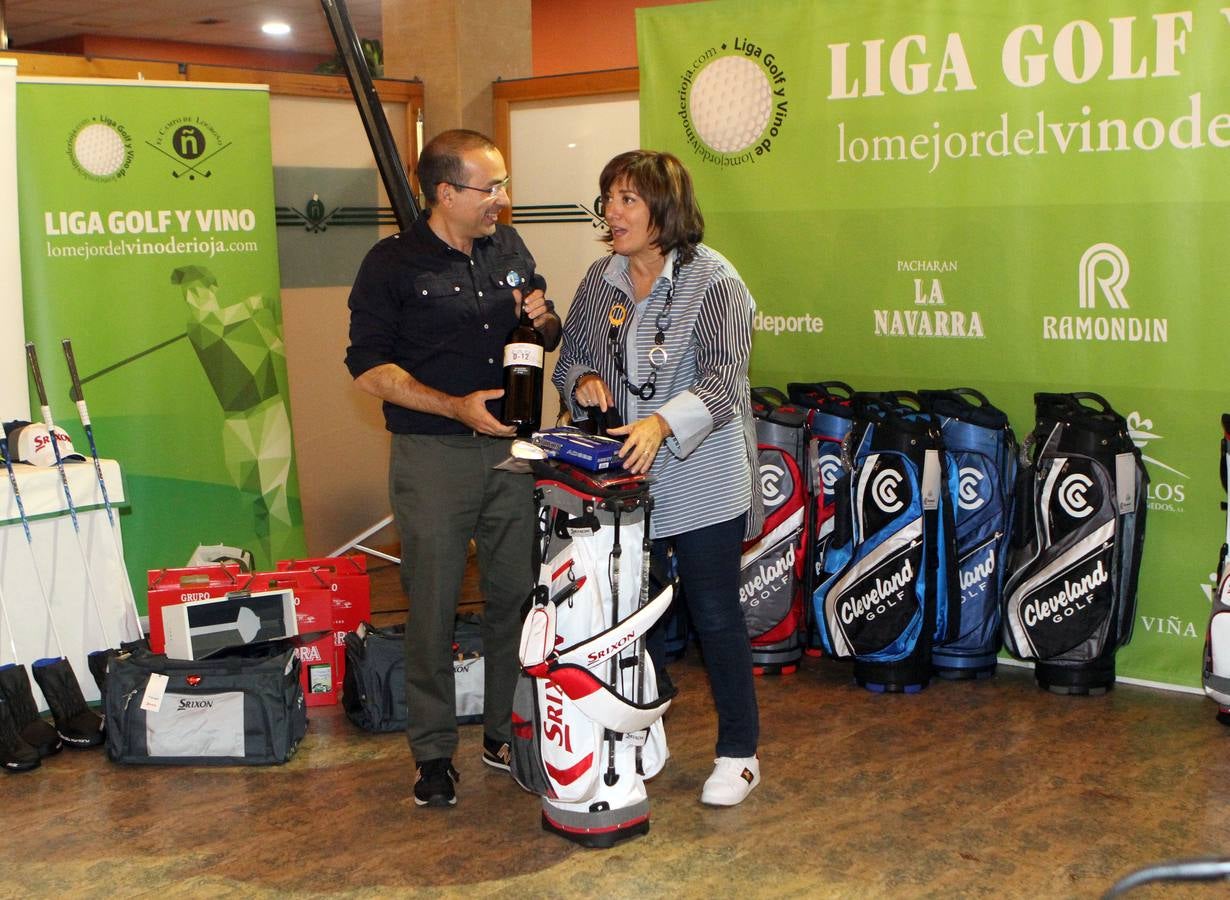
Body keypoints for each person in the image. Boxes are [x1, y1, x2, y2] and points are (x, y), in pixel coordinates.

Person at [345, 129, 560, 808]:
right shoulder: (392, 264)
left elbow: (543, 332)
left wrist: (544, 318)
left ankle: (503, 731)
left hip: (513, 456)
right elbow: (370, 368)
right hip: (432, 457)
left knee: (513, 601)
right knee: (433, 610)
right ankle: (434, 753)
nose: (502, 198)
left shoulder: (510, 248)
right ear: (446, 193)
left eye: (501, 184)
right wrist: (455, 408)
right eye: (488, 187)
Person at [553, 149, 764, 807]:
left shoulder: (716, 281)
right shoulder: (601, 279)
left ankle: (740, 753)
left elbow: (724, 381)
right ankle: (634, 736)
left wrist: (661, 424)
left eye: (627, 201)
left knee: (714, 619)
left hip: (702, 482)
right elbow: (572, 359)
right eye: (608, 198)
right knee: (624, 622)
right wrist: (582, 380)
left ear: (663, 212)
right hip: (624, 489)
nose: (611, 214)